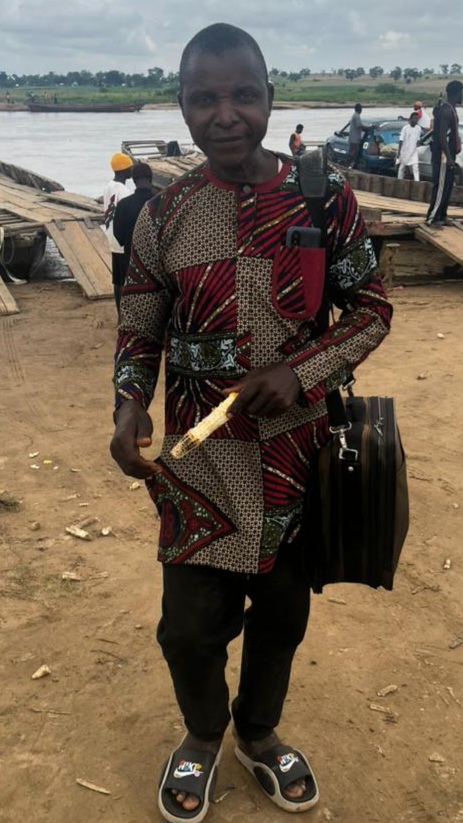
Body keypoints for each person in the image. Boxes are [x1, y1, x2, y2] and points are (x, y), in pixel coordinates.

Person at [110, 22, 392, 823]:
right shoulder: (163, 213)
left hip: (296, 454)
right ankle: (203, 732)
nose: (224, 114)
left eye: (242, 95)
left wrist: (299, 371)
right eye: (204, 98)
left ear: (270, 98)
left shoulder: (324, 197)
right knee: (187, 626)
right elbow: (139, 325)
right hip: (198, 459)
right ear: (182, 105)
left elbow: (370, 310)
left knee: (281, 615)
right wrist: (128, 403)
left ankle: (258, 732)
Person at [426, 80, 463, 228]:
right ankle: (432, 218)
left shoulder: (451, 110)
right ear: (457, 93)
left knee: (448, 185)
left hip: (449, 154)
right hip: (442, 155)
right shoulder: (446, 111)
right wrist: (448, 157)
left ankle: (442, 214)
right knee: (440, 186)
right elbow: (442, 136)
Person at [102, 152, 133, 316]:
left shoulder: (108, 187)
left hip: (112, 237)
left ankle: (119, 314)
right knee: (127, 280)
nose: (132, 170)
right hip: (122, 240)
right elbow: (127, 217)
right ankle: (126, 314)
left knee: (117, 280)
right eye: (130, 167)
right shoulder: (124, 191)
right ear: (124, 169)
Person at [113, 162, 154, 277]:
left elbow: (118, 236)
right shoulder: (162, 202)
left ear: (134, 180)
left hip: (132, 265)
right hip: (157, 267)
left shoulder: (123, 204)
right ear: (151, 179)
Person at [396, 111, 421, 181]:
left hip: (413, 151)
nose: (416, 120)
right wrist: (399, 152)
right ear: (411, 119)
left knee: (415, 167)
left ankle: (417, 182)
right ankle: (399, 180)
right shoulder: (405, 128)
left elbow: (418, 140)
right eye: (415, 118)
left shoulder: (418, 128)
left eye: (417, 119)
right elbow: (401, 140)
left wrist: (418, 145)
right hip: (405, 151)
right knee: (402, 166)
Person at [348, 103, 367, 167]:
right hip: (355, 139)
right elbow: (359, 126)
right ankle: (350, 165)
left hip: (353, 138)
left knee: (352, 153)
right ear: (360, 109)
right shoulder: (357, 116)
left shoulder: (354, 115)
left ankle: (350, 165)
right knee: (353, 153)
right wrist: (368, 127)